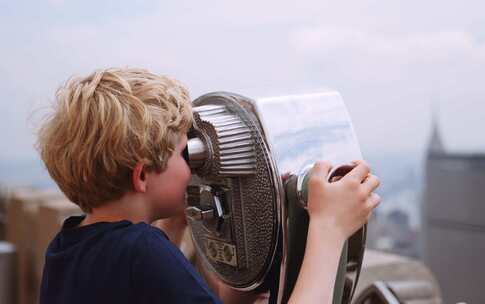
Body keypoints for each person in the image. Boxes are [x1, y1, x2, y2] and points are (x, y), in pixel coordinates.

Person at [36, 68, 381, 304]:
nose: (194, 167)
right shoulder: (143, 252)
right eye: (184, 154)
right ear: (141, 177)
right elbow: (145, 268)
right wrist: (329, 228)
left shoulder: (67, 247)